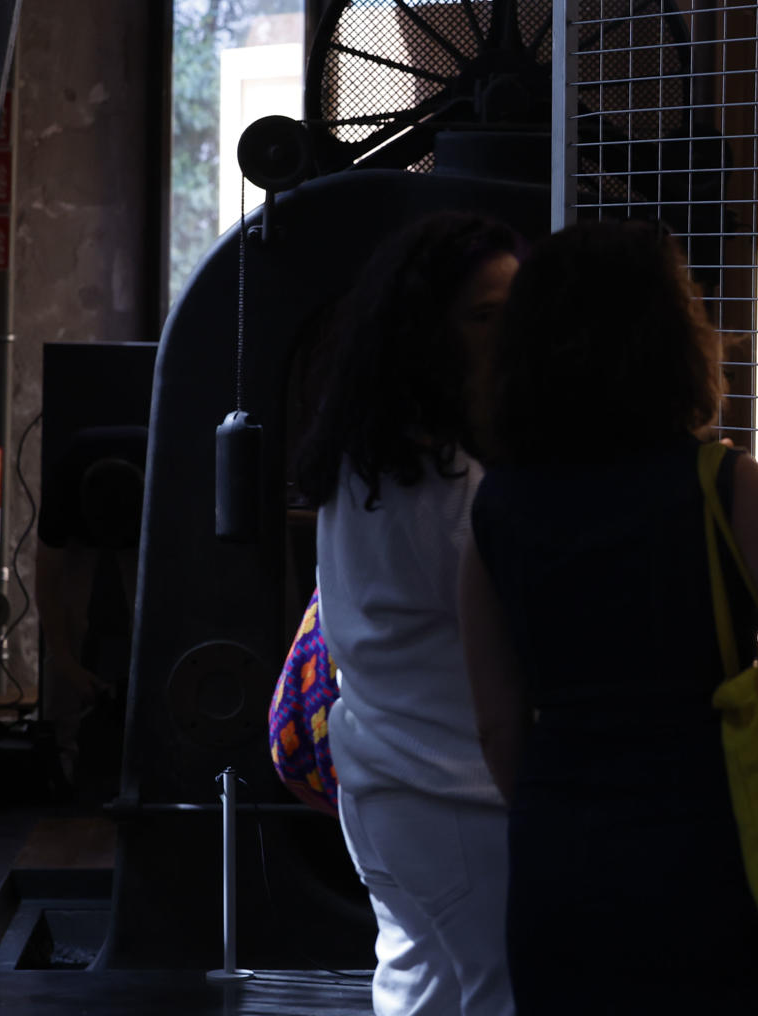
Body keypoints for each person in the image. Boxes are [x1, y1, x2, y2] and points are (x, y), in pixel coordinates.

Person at [461, 220, 758, 1012]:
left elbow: (497, 726)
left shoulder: (498, 507)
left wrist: (567, 814)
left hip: (560, 859)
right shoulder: (722, 487)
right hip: (716, 849)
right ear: (666, 339)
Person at [294, 212, 522, 1016]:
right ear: (430, 335)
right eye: (488, 316)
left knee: (420, 990)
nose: (513, 336)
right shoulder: (460, 485)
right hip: (458, 795)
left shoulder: (370, 458)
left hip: (383, 782)